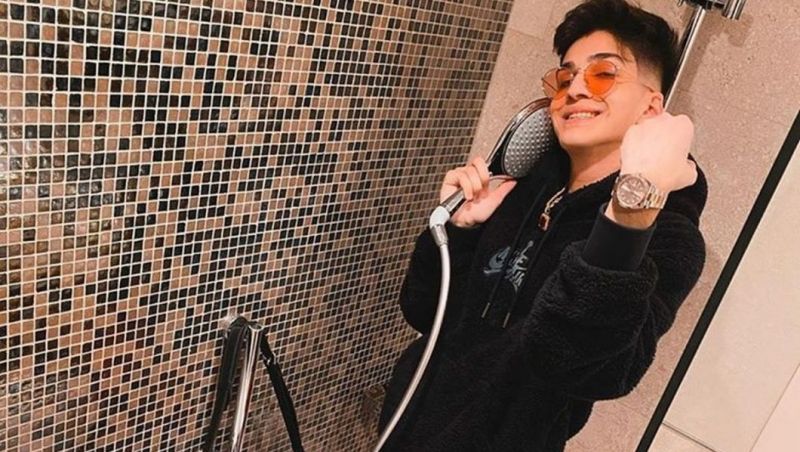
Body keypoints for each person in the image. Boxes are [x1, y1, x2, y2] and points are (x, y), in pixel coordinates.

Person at [377, 0, 707, 450]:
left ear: (652, 107)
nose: (576, 89)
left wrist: (630, 215)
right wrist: (460, 232)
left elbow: (594, 369)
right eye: (565, 78)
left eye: (603, 74)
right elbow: (422, 310)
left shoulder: (667, 236)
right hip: (403, 429)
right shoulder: (519, 189)